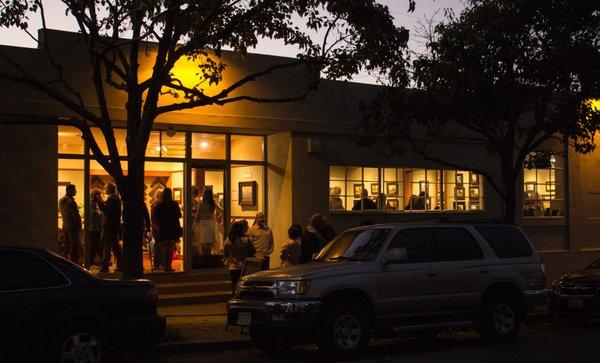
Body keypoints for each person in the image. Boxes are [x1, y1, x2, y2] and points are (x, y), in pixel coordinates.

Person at [154, 187, 182, 272]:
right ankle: (168, 266)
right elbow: (179, 215)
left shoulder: (159, 204)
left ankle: (165, 265)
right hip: (172, 228)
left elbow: (156, 217)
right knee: (170, 248)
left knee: (164, 248)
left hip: (163, 228)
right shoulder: (174, 203)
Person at [223, 221, 256, 294]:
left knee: (234, 284)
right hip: (245, 266)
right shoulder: (247, 240)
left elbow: (225, 253)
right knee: (244, 284)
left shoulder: (228, 240)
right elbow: (254, 251)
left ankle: (234, 297)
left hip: (233, 266)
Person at [192, 186, 223, 256]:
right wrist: (218, 216)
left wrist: (194, 227)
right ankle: (208, 260)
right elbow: (222, 210)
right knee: (209, 246)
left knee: (203, 246)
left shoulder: (201, 204)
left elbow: (197, 217)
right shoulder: (212, 203)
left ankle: (205, 261)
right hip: (210, 225)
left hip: (203, 225)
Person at [100, 182, 122, 273]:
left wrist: (100, 203)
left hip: (109, 225)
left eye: (106, 188)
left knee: (107, 246)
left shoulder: (111, 199)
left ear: (109, 189)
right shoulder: (116, 199)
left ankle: (105, 267)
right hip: (114, 225)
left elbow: (107, 211)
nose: (105, 190)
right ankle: (120, 265)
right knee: (114, 246)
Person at [59, 184, 82, 264]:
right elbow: (75, 214)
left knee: (66, 245)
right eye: (74, 190)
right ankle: (74, 264)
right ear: (70, 190)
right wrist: (79, 224)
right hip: (72, 226)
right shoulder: (70, 201)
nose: (76, 191)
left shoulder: (61, 200)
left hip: (65, 224)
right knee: (73, 246)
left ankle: (65, 263)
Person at [85, 189, 103, 269]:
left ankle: (100, 262)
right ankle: (89, 263)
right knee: (94, 246)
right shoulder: (90, 204)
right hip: (93, 229)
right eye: (99, 195)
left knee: (97, 246)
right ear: (95, 195)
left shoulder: (95, 204)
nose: (100, 197)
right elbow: (94, 216)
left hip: (96, 229)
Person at [150, 190, 164, 270]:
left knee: (160, 246)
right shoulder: (155, 205)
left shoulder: (158, 205)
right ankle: (157, 264)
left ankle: (160, 263)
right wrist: (158, 228)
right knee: (158, 246)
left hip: (159, 228)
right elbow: (154, 220)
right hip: (157, 229)